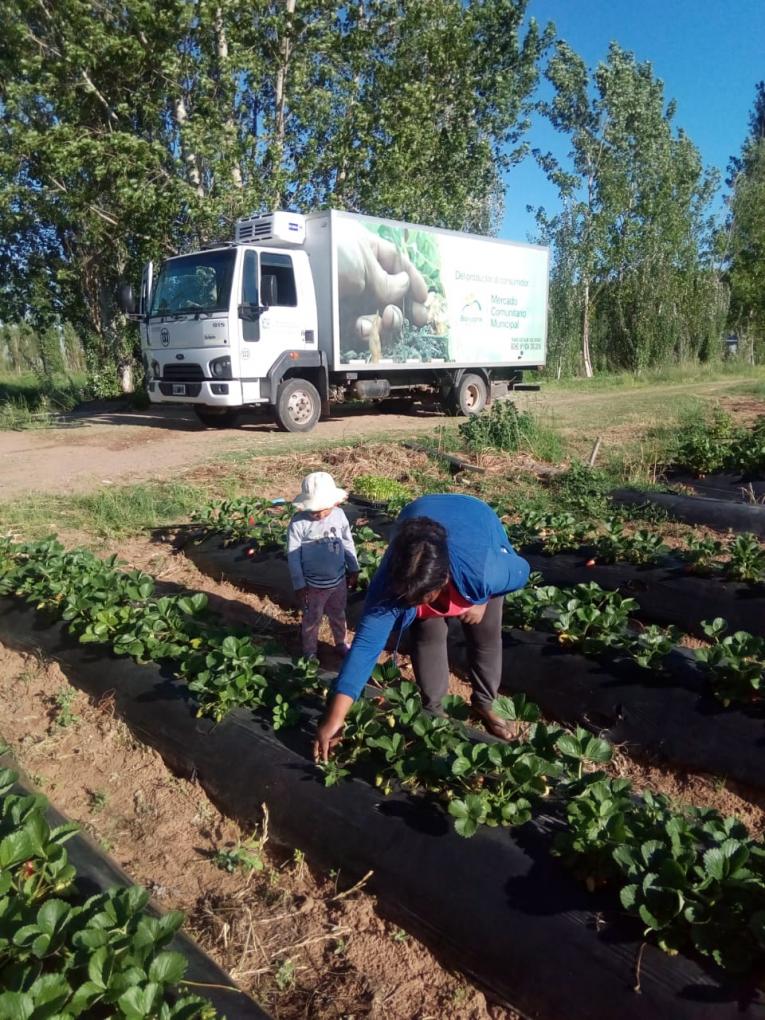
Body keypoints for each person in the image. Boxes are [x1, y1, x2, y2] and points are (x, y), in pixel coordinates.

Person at [314, 494, 530, 760]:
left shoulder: (486, 571)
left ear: (444, 578)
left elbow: (523, 569)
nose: (413, 602)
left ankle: (486, 702)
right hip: (415, 519)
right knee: (426, 631)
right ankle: (434, 709)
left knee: (485, 634)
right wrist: (334, 717)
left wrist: (482, 598)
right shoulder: (393, 579)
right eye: (407, 597)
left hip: (475, 519)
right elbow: (366, 646)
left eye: (423, 596)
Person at [287, 472, 359, 660]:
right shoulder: (299, 523)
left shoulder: (339, 516)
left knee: (338, 614)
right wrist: (299, 585)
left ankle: (341, 643)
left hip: (338, 581)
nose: (319, 514)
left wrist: (354, 568)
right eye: (314, 510)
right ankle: (310, 652)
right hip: (313, 586)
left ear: (335, 503)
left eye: (324, 509)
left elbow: (347, 542)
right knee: (312, 619)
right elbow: (293, 556)